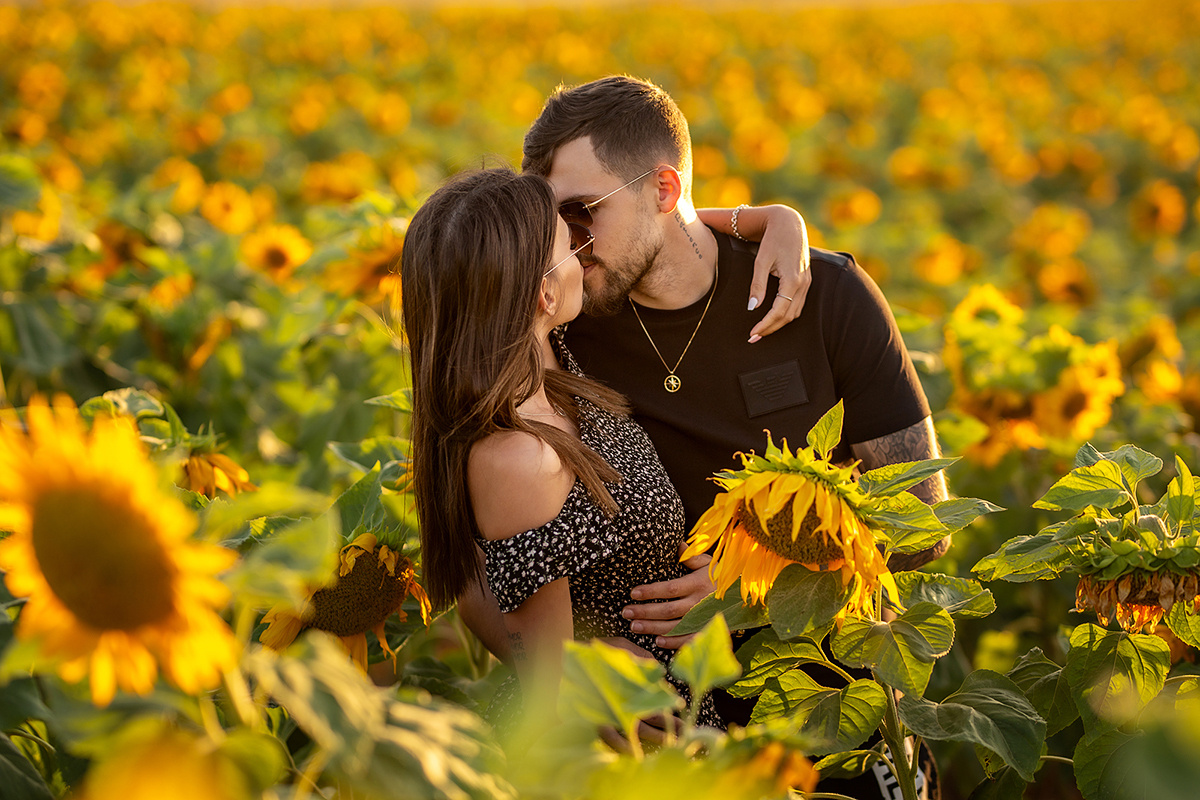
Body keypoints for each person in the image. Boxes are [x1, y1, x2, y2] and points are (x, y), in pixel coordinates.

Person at [462, 75, 949, 796]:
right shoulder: (566, 323)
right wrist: (568, 681)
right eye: (553, 220)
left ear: (663, 190)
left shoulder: (825, 299)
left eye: (581, 212)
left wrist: (767, 574)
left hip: (833, 720)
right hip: (661, 748)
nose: (566, 242)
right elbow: (470, 553)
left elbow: (926, 527)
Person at [399, 167, 723, 730]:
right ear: (542, 293)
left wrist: (774, 222)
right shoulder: (521, 458)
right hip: (627, 743)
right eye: (570, 245)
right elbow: (550, 689)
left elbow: (653, 230)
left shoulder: (553, 361)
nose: (586, 251)